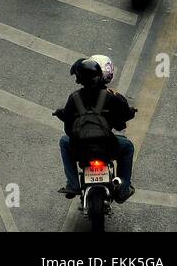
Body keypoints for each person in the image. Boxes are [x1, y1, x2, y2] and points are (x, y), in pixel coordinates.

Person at [54, 56, 135, 201]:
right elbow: (120, 125)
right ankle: (123, 189)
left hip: (80, 149)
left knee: (64, 142)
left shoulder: (74, 98)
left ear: (79, 79)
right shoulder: (112, 97)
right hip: (107, 147)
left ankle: (73, 184)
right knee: (128, 147)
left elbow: (68, 131)